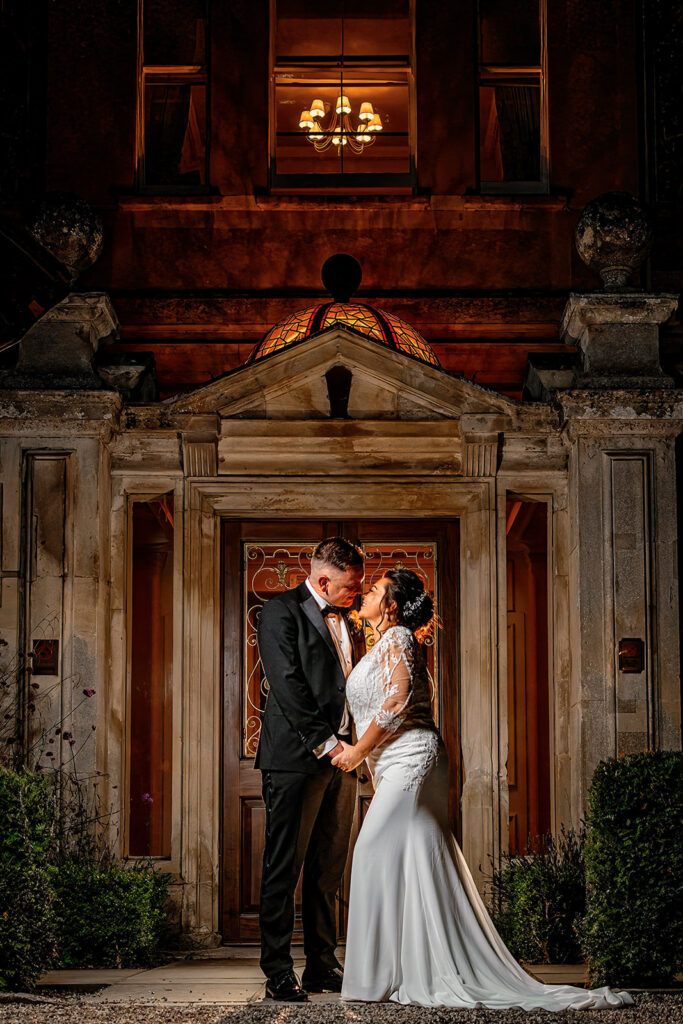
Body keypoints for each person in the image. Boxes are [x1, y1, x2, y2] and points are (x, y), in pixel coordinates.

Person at [333, 569, 633, 1011]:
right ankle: (407, 968)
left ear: (392, 606)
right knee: (410, 856)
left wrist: (358, 751)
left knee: (370, 851)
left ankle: (375, 978)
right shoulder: (386, 642)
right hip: (397, 762)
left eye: (374, 590)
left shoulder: (398, 636)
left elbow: (397, 700)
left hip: (412, 759)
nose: (366, 594)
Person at [256, 537, 365, 1002]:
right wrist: (327, 745)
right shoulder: (280, 611)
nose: (356, 595)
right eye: (349, 586)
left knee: (327, 869)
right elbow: (287, 685)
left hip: (342, 762)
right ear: (323, 579)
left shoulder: (349, 621)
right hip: (296, 761)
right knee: (284, 867)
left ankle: (322, 963)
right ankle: (278, 970)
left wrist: (357, 748)